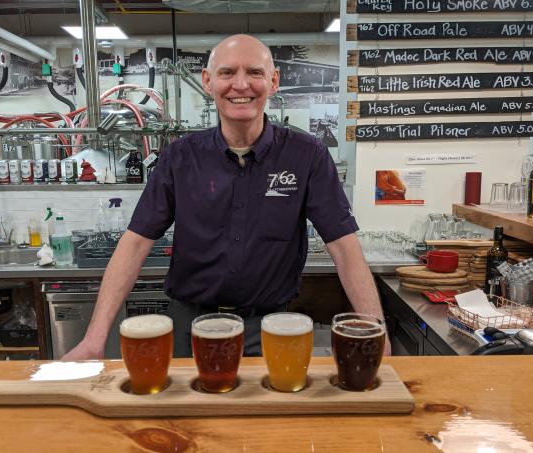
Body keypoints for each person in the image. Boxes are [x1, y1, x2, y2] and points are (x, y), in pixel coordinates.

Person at [63, 34, 390, 360]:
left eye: (255, 73)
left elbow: (345, 249)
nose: (241, 84)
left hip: (270, 332)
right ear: (208, 81)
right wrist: (94, 339)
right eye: (227, 72)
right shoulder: (179, 158)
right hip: (190, 330)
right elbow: (134, 244)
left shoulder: (307, 157)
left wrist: (378, 335)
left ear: (273, 81)